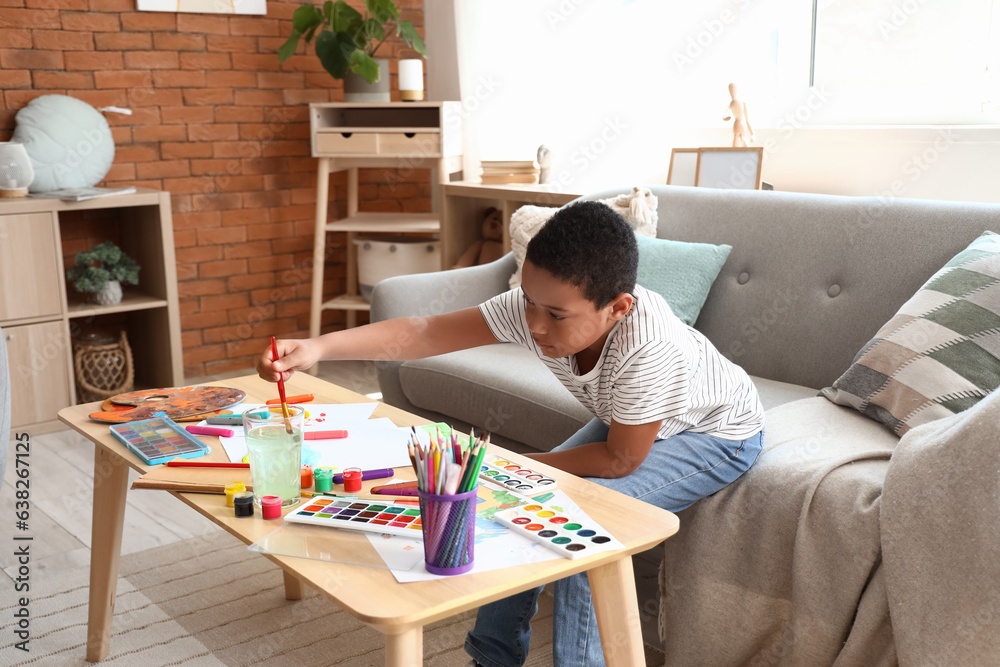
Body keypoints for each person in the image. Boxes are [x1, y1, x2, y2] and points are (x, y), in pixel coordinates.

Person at [258, 201, 766, 667]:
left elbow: (620, 461)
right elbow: (425, 332)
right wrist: (319, 347)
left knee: (580, 533)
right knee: (504, 501)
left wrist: (514, 465)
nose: (535, 326)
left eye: (556, 315)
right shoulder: (539, 308)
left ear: (617, 309)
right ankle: (493, 657)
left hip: (716, 432)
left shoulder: (648, 351)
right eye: (529, 303)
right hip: (632, 417)